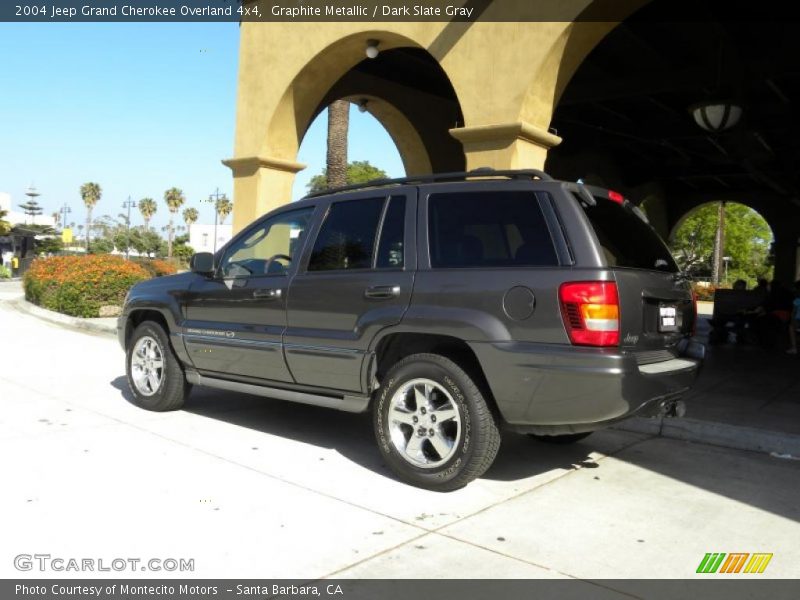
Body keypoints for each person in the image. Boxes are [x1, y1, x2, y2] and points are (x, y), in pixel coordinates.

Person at [787, 281, 800, 355]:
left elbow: (794, 312)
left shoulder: (797, 300)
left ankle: (794, 347)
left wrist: (792, 321)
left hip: (798, 321)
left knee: (791, 328)